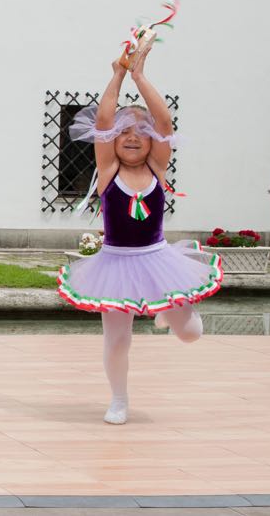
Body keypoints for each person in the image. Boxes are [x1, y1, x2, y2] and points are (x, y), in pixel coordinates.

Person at [57, 30, 223, 425]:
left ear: (152, 143)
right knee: (117, 339)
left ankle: (168, 315)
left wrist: (140, 76)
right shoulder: (108, 171)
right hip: (114, 265)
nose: (133, 137)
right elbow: (102, 118)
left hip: (158, 260)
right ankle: (119, 400)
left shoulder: (156, 169)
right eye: (124, 132)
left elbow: (164, 122)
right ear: (112, 141)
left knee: (191, 334)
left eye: (141, 133)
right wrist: (117, 73)